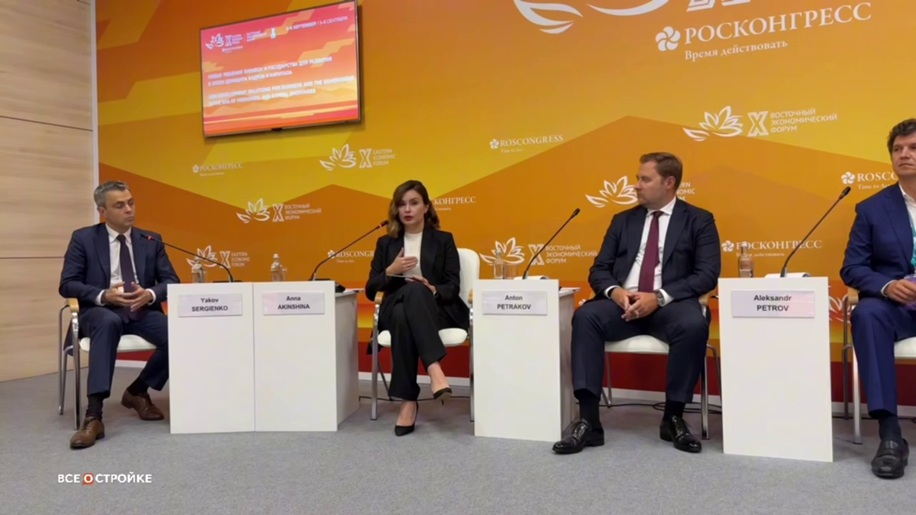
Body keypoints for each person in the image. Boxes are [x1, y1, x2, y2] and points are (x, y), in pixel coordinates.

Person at [552, 152, 720, 455]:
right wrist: (615, 292)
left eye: (645, 179)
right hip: (622, 305)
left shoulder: (699, 220)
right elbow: (599, 269)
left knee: (693, 323)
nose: (636, 185)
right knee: (586, 316)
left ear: (669, 182)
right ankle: (588, 421)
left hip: (670, 304)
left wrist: (658, 297)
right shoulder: (623, 221)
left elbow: (707, 273)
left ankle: (673, 418)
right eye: (637, 179)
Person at [59, 180, 179, 449]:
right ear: (102, 211)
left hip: (140, 309)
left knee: (179, 334)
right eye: (120, 205)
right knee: (109, 321)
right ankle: (94, 416)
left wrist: (150, 294)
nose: (129, 209)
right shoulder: (83, 238)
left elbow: (171, 280)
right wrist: (104, 295)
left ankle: (137, 390)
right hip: (99, 311)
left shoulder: (151, 240)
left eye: (131, 203)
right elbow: (67, 284)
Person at [841, 118, 916, 479]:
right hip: (897, 308)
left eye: (913, 148)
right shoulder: (872, 208)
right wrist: (886, 286)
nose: (904, 155)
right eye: (898, 149)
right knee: (868, 313)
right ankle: (890, 434)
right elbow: (853, 267)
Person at [365, 180, 470, 436]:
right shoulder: (385, 243)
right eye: (402, 204)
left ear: (426, 207)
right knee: (409, 294)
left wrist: (432, 288)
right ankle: (434, 368)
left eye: (414, 203)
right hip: (393, 305)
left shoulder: (443, 240)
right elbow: (370, 289)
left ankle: (408, 402)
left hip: (434, 310)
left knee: (409, 304)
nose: (407, 209)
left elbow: (452, 286)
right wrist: (390, 271)